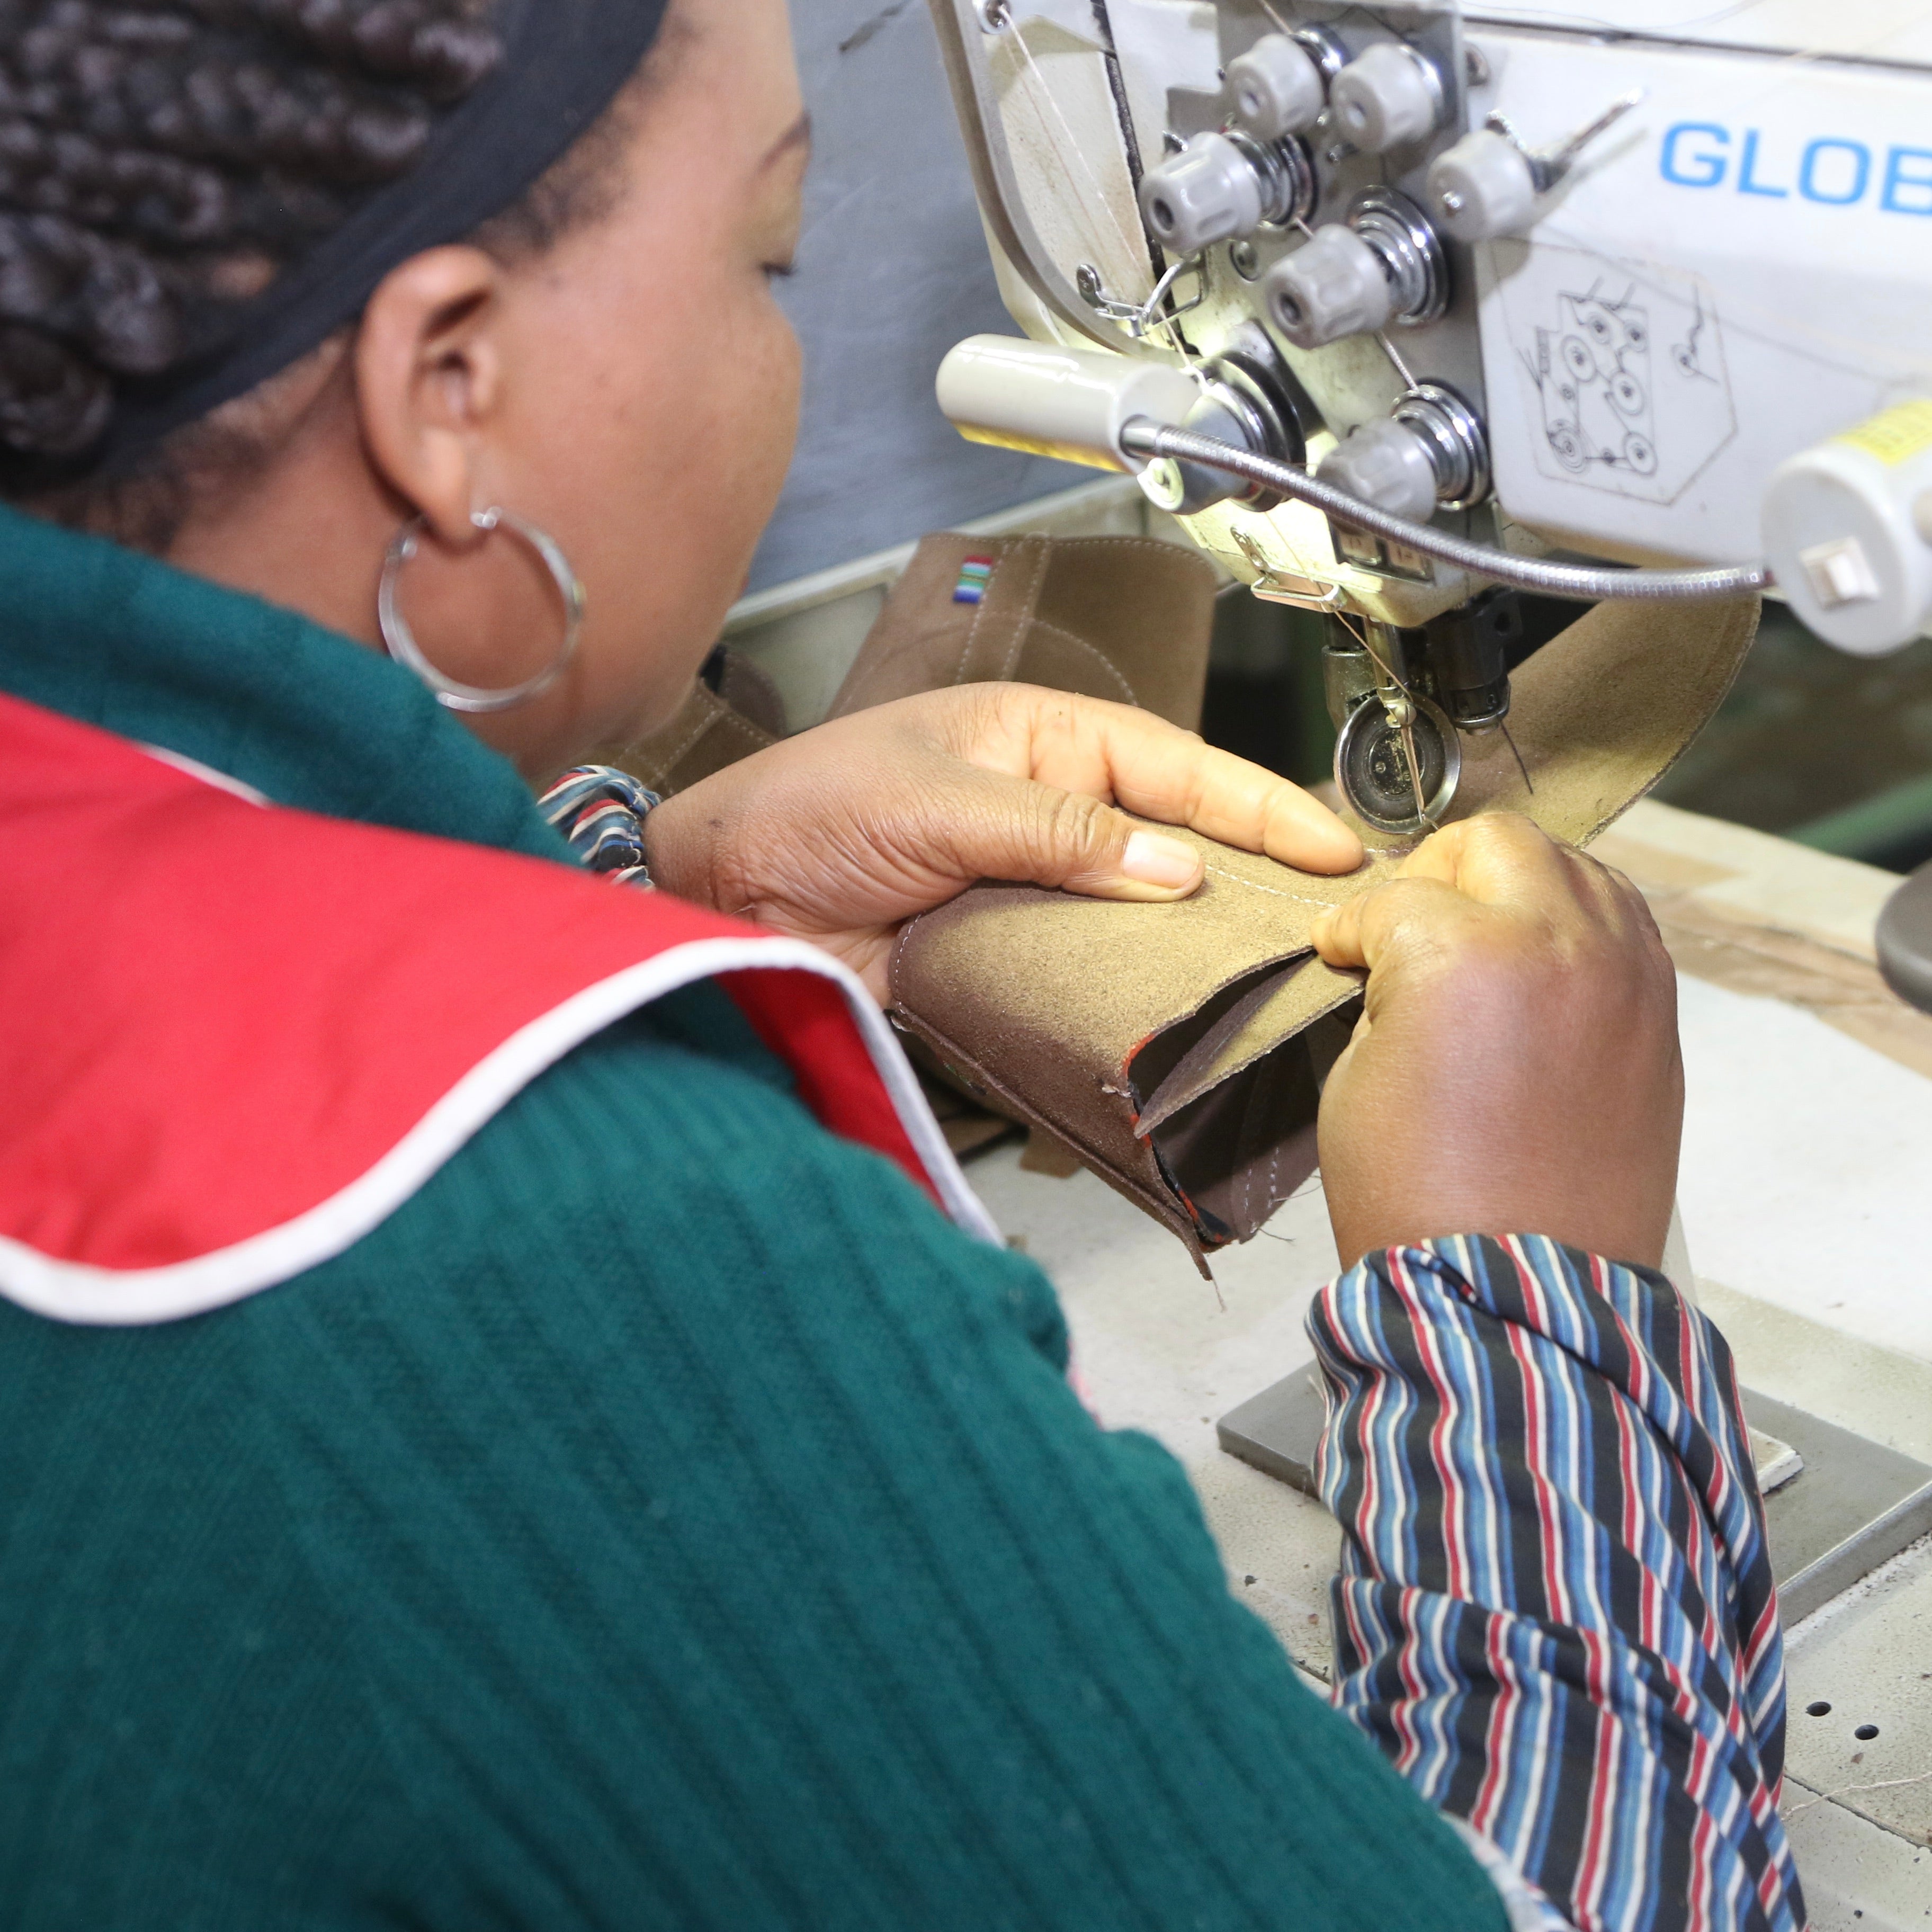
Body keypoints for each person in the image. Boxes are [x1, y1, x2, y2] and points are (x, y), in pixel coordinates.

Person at [0, 4, 1801, 1929]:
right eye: (767, 255)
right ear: (446, 385)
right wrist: (1538, 1299)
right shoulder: (594, 1268)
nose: (782, 322)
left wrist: (641, 882)